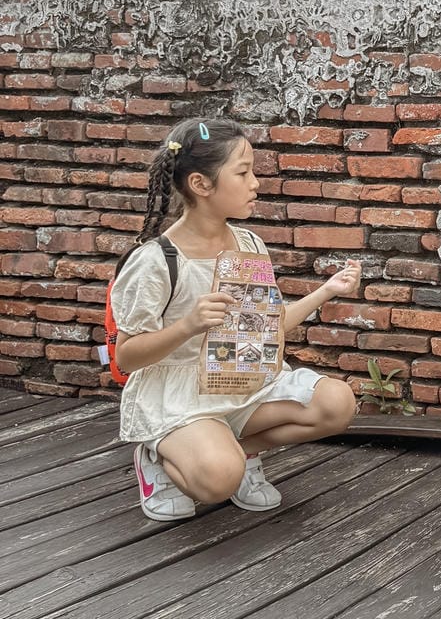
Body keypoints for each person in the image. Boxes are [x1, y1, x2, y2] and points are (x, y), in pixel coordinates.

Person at [111, 117, 360, 521]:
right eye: (243, 172)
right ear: (201, 184)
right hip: (182, 392)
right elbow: (126, 357)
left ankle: (241, 453)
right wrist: (188, 325)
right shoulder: (156, 262)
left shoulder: (248, 243)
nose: (255, 182)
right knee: (217, 481)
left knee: (337, 403)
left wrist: (326, 290)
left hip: (239, 376)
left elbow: (266, 327)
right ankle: (157, 458)